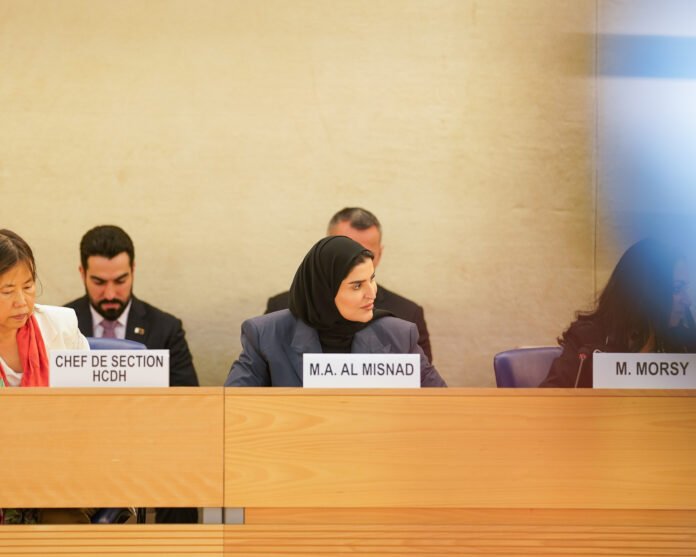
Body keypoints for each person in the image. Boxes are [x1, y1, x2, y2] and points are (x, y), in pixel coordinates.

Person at [65, 225, 198, 524]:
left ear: (133, 270)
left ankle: (176, 545)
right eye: (99, 282)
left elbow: (188, 403)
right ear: (82, 273)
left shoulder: (165, 328)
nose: (110, 293)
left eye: (120, 280)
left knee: (181, 472)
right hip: (78, 449)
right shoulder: (60, 326)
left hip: (149, 447)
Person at [226, 236, 446, 387]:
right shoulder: (266, 335)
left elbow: (442, 407)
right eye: (357, 286)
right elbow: (232, 409)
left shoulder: (399, 336)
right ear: (324, 291)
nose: (372, 293)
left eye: (371, 279)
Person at [0, 229, 93, 524]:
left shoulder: (61, 326)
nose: (21, 301)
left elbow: (92, 404)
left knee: (61, 517)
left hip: (59, 468)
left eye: (28, 286)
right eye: (7, 291)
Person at [265, 207, 434, 361]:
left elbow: (420, 382)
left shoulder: (407, 316)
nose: (355, 262)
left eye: (366, 254)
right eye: (343, 253)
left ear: (380, 254)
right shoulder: (280, 310)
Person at [540, 238, 696, 388]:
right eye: (677, 288)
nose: (688, 300)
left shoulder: (684, 343)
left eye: (685, 288)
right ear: (644, 292)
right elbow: (550, 398)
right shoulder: (587, 341)